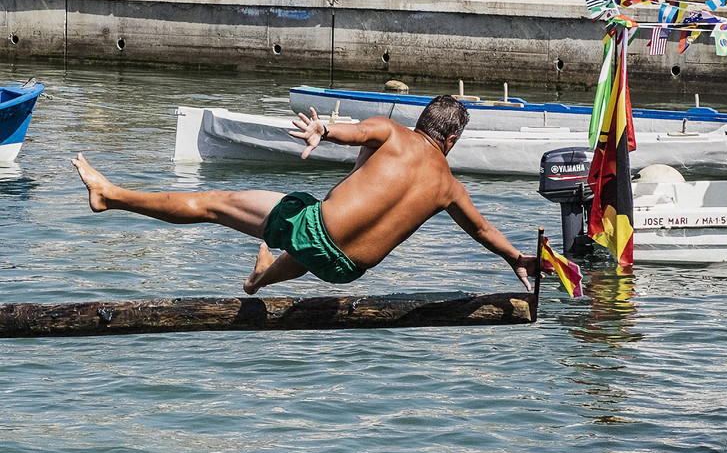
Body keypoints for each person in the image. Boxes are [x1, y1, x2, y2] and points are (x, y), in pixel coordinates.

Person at [73, 95, 537, 294]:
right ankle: (257, 281)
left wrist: (322, 130)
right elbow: (483, 230)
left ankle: (110, 195)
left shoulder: (393, 132)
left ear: (422, 121)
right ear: (451, 141)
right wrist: (517, 257)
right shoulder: (450, 188)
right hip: (347, 271)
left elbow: (353, 132)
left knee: (213, 203)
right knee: (320, 236)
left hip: (317, 231)